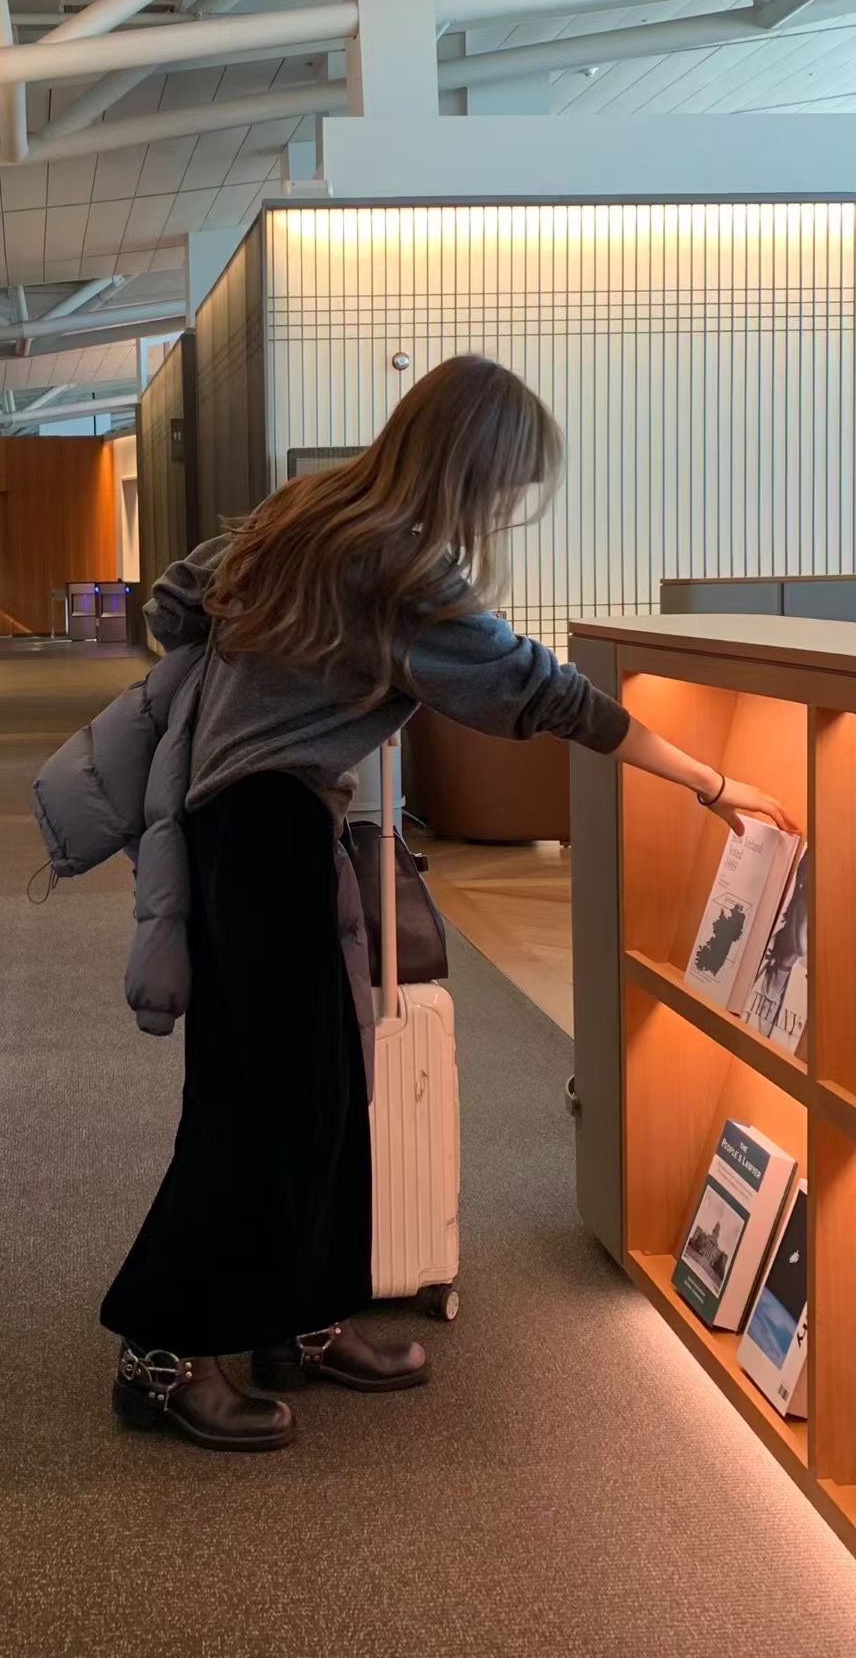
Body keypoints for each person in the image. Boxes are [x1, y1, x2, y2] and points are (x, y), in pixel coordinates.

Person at [102, 354, 793, 1453]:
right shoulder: (400, 566)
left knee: (322, 1089)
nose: (509, 506)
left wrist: (260, 678)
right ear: (474, 467)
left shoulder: (305, 511)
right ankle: (160, 1350)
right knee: (267, 1101)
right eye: (510, 483)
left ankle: (297, 1317)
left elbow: (175, 598)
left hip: (250, 821)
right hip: (268, 828)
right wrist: (710, 783)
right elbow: (541, 691)